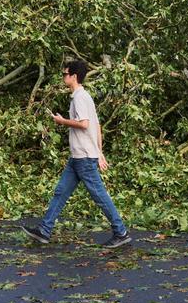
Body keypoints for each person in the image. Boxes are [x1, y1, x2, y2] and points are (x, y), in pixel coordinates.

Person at [21, 59, 132, 249]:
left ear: (74, 76)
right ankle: (44, 231)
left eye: (65, 74)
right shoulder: (84, 97)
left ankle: (120, 232)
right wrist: (100, 152)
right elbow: (97, 125)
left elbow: (85, 124)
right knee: (61, 192)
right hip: (78, 157)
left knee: (99, 196)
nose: (63, 77)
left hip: (84, 159)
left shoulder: (80, 97)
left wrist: (62, 121)